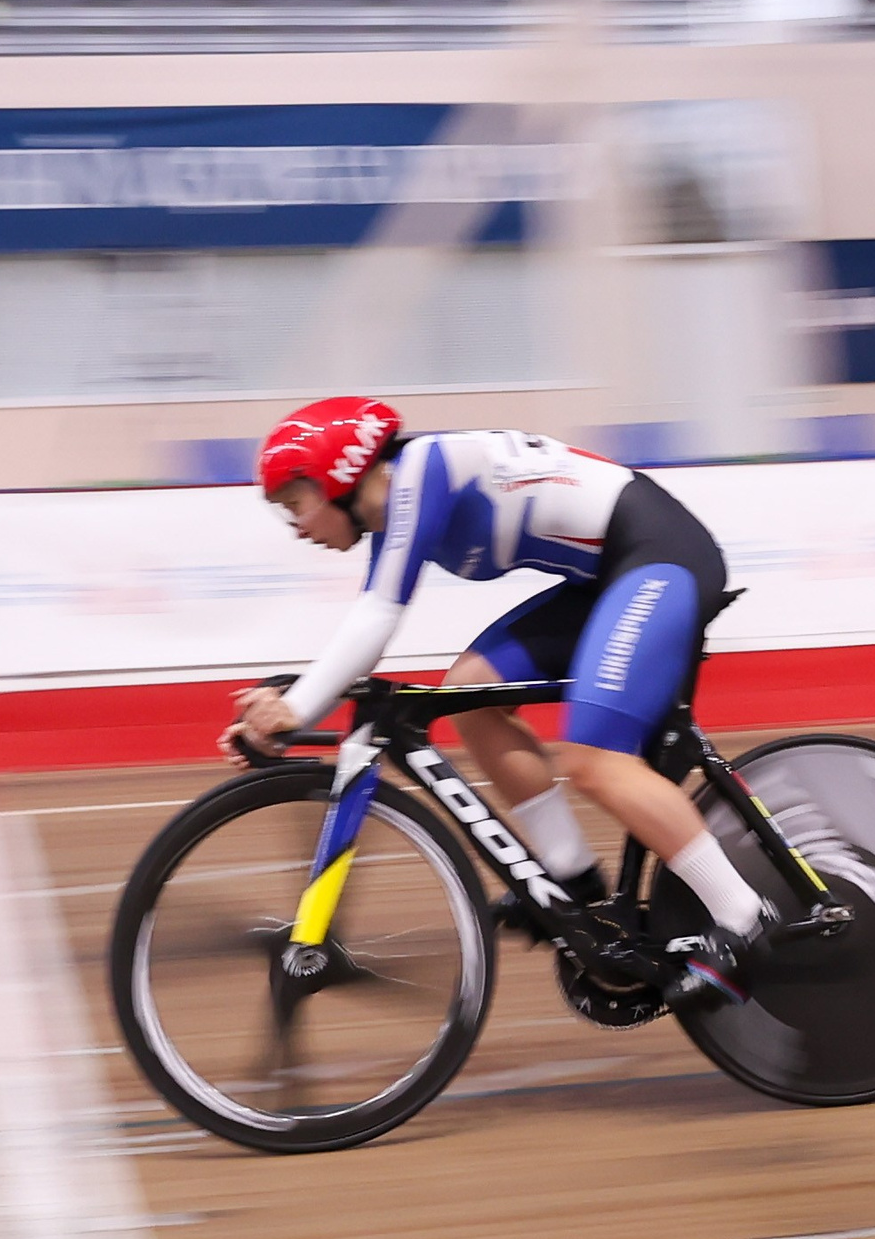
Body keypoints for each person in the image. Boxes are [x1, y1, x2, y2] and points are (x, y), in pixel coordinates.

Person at [222, 396, 777, 1008]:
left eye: (294, 504)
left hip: (659, 558)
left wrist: (296, 709)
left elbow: (378, 617)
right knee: (467, 695)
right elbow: (364, 632)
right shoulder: (398, 508)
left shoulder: (421, 474)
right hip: (608, 578)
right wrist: (291, 698)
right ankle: (571, 876)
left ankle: (744, 919)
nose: (296, 525)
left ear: (340, 476)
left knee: (593, 758)